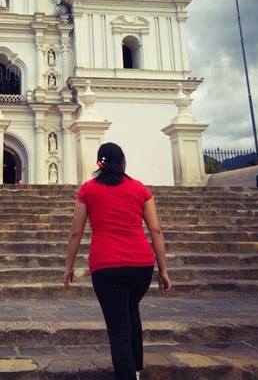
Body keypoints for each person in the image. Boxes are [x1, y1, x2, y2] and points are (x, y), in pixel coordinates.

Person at [63, 142, 172, 380]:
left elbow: (75, 232)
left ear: (99, 164)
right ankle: (135, 370)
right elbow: (156, 230)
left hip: (107, 267)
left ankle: (128, 375)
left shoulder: (88, 190)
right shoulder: (139, 188)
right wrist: (163, 269)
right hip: (141, 266)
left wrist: (69, 266)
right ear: (122, 162)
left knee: (118, 328)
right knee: (131, 312)